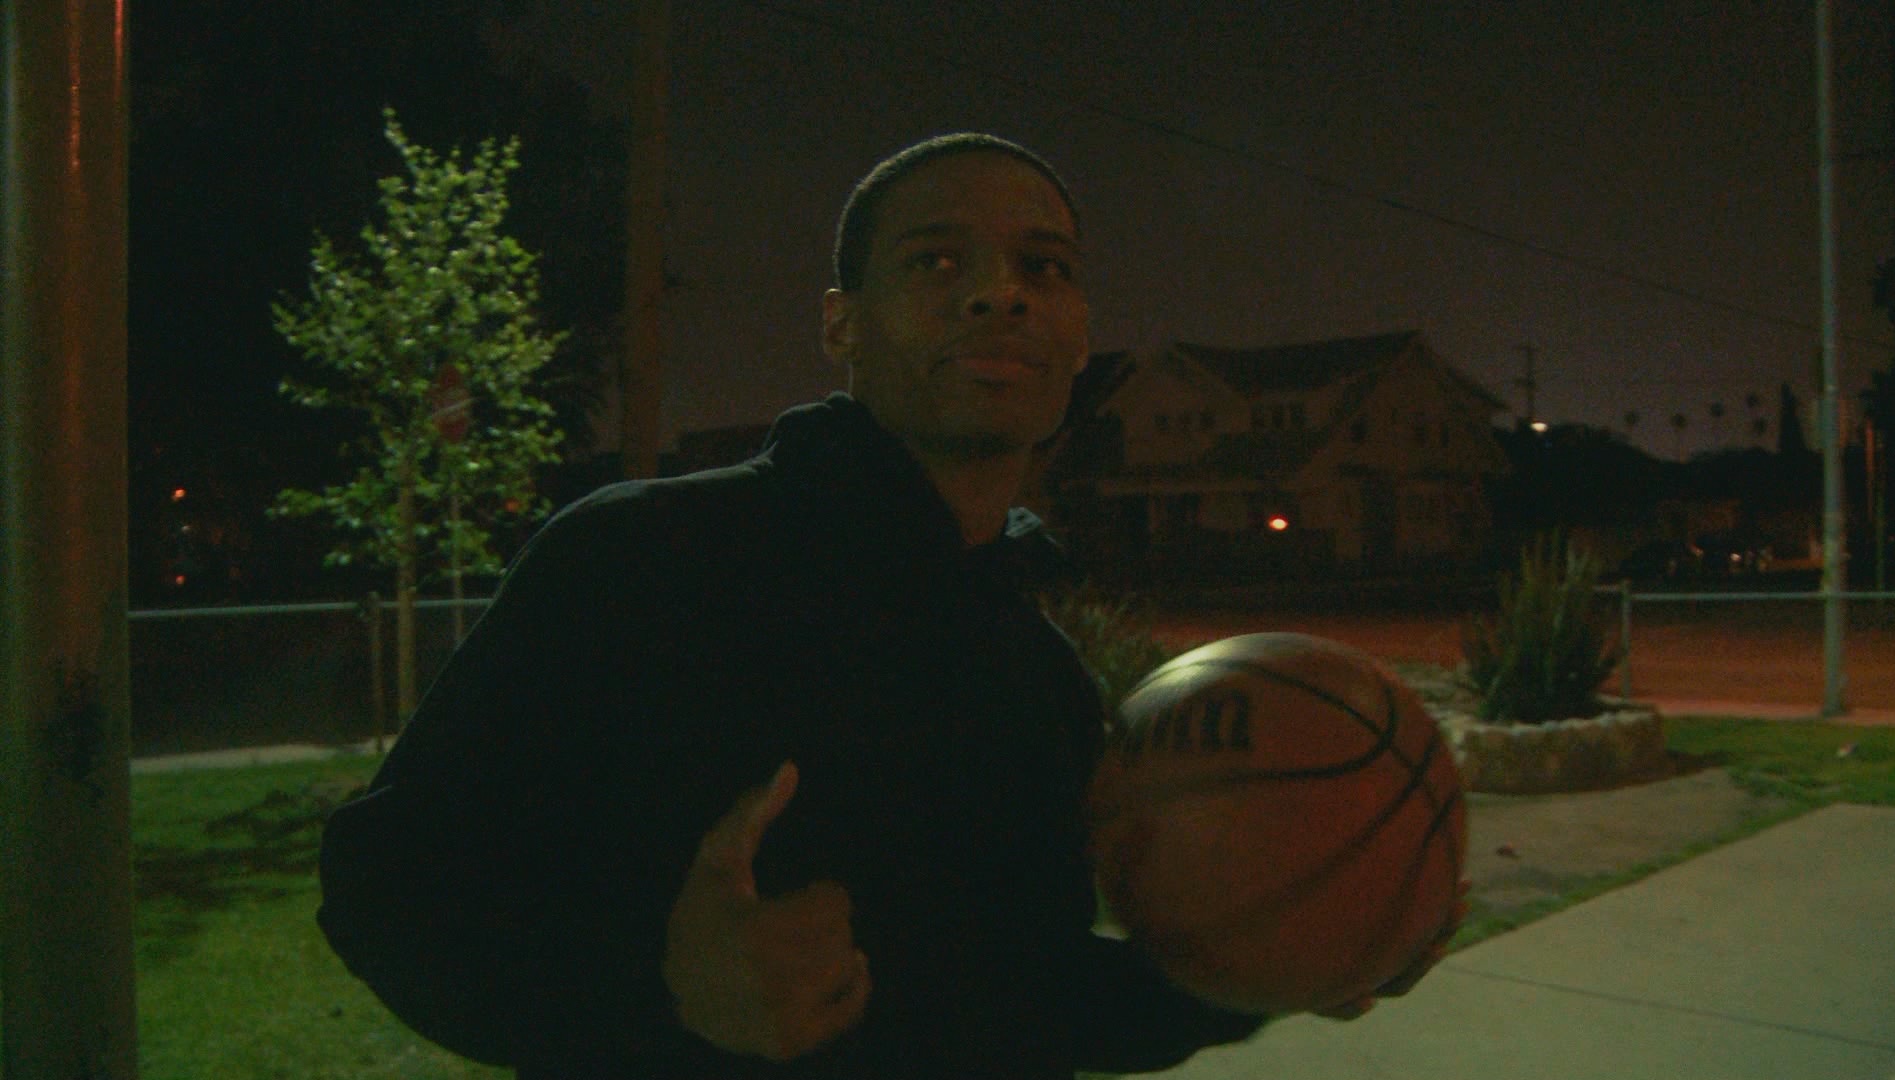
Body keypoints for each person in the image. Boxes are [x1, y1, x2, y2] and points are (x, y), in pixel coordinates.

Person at [316, 132, 1460, 1079]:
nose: (1000, 292)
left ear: (1077, 338)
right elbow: (384, 885)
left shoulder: (1040, 673)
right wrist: (656, 986)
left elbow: (1035, 1000)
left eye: (1044, 266)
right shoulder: (638, 560)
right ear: (839, 323)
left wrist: (1273, 966)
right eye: (934, 260)